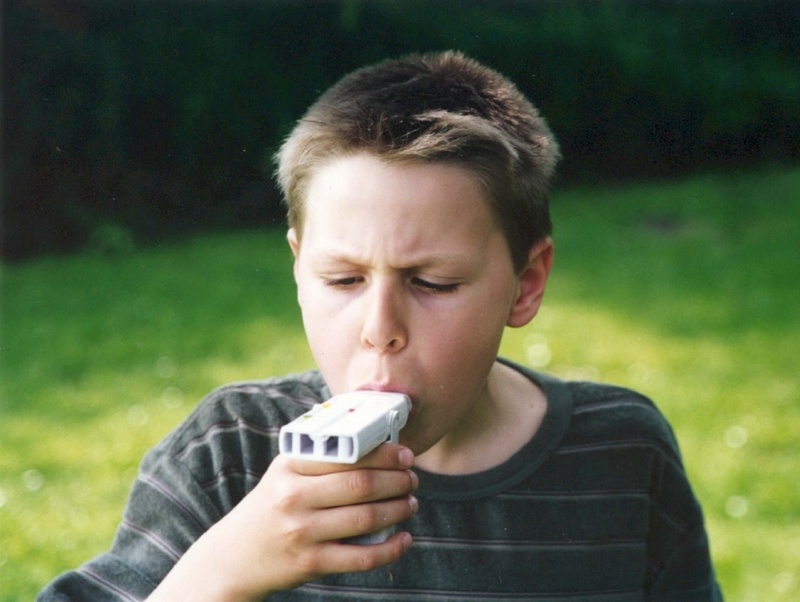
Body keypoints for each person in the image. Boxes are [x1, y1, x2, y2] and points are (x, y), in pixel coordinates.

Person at [39, 51, 722, 601]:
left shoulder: (623, 456)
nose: (380, 328)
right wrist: (217, 574)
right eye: (343, 280)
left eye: (432, 283)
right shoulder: (228, 459)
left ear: (526, 283)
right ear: (298, 270)